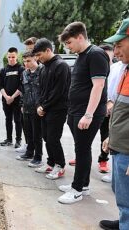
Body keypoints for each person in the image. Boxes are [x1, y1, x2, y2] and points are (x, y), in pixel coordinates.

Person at [56, 22, 109, 204]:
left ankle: (77, 189)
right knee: (82, 149)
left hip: (87, 113)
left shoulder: (95, 54)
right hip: (76, 111)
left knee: (82, 149)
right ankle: (83, 185)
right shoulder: (81, 55)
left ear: (80, 37)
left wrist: (88, 114)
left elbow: (98, 85)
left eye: (69, 42)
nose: (68, 47)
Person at [98, 18, 129, 230]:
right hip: (120, 144)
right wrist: (111, 136)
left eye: (119, 45)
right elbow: (120, 110)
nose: (115, 51)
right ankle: (125, 221)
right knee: (121, 193)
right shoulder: (125, 70)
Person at [67, 44, 115, 174]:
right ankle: (81, 170)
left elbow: (106, 89)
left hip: (106, 108)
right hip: (91, 107)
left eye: (109, 57)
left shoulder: (117, 68)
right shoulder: (92, 63)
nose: (107, 60)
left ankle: (103, 161)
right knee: (83, 145)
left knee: (105, 137)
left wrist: (109, 105)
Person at [32, 38, 71, 180]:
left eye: (39, 55)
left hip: (57, 109)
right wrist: (38, 105)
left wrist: (44, 106)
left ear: (48, 50)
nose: (37, 58)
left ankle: (60, 165)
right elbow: (39, 89)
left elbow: (59, 91)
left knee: (53, 138)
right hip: (44, 109)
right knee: (46, 138)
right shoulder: (43, 68)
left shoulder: (61, 66)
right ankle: (50, 163)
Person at [16, 51, 43, 168]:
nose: (26, 63)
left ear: (35, 59)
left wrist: (42, 106)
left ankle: (38, 157)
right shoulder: (24, 73)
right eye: (25, 61)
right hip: (26, 107)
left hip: (37, 108)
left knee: (37, 134)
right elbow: (23, 90)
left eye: (29, 61)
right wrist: (22, 104)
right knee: (28, 133)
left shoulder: (42, 71)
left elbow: (44, 91)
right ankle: (29, 153)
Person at [0, 47, 24, 148]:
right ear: (7, 57)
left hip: (17, 100)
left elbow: (22, 85)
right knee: (8, 119)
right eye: (9, 57)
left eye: (13, 57)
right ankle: (9, 139)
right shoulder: (3, 70)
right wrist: (6, 97)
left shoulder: (21, 69)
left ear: (16, 56)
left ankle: (18, 140)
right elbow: (0, 85)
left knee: (17, 120)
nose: (11, 59)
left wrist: (12, 97)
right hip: (6, 100)